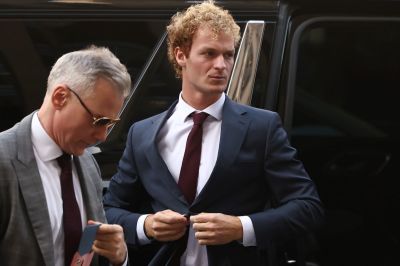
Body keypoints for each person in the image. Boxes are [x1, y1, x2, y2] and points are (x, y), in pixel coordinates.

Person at [103, 1, 324, 265]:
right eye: (209, 53)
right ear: (181, 55)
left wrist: (241, 227)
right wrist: (146, 225)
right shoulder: (142, 133)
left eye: (228, 55)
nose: (221, 65)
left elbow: (307, 207)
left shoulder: (261, 128)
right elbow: (108, 210)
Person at [0, 46, 131, 266]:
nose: (102, 136)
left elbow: (92, 252)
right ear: (60, 97)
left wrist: (120, 256)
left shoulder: (87, 163)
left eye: (109, 123)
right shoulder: (4, 160)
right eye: (98, 121)